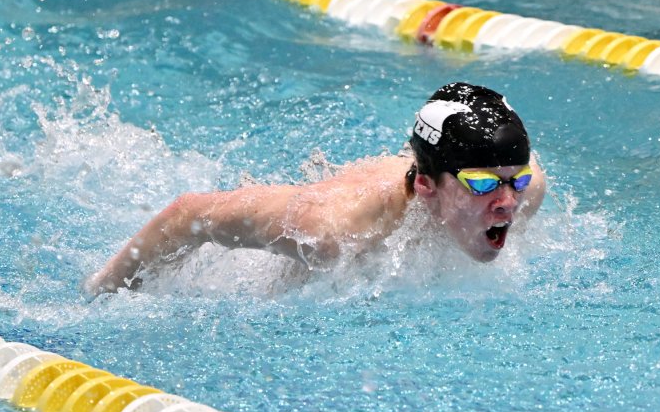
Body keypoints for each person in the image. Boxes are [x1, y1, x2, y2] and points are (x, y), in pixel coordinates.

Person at [84, 82, 546, 296]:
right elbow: (189, 214)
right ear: (426, 185)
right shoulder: (332, 229)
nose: (507, 201)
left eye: (515, 179)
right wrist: (104, 292)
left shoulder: (526, 191)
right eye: (484, 184)